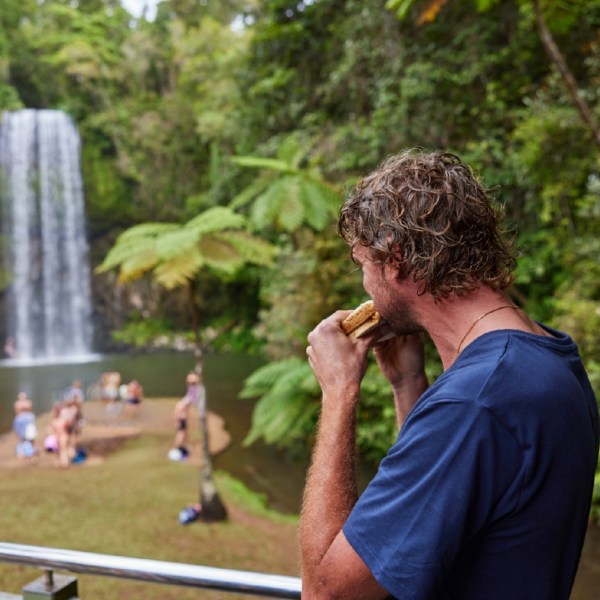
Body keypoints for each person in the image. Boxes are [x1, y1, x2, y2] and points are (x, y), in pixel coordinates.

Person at [302, 150, 600, 600]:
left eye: (364, 266)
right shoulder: (549, 359)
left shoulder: (476, 402)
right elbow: (438, 514)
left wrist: (339, 391)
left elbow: (326, 592)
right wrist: (408, 385)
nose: (364, 285)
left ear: (396, 259)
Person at [12, 392, 37, 458]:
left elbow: (29, 409)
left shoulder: (27, 402)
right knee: (22, 437)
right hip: (21, 420)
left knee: (31, 437)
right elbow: (17, 411)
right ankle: (24, 453)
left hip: (27, 419)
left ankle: (32, 452)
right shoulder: (18, 403)